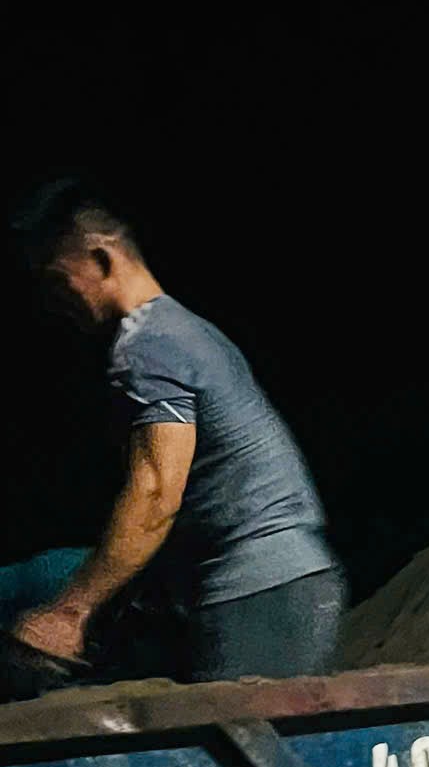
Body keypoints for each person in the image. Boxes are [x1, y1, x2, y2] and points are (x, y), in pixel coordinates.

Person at [11, 182, 343, 682]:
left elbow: (155, 492)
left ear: (101, 257)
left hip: (258, 589)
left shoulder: (145, 346)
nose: (57, 304)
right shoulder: (188, 330)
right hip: (282, 580)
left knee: (232, 753)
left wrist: (69, 612)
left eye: (60, 283)